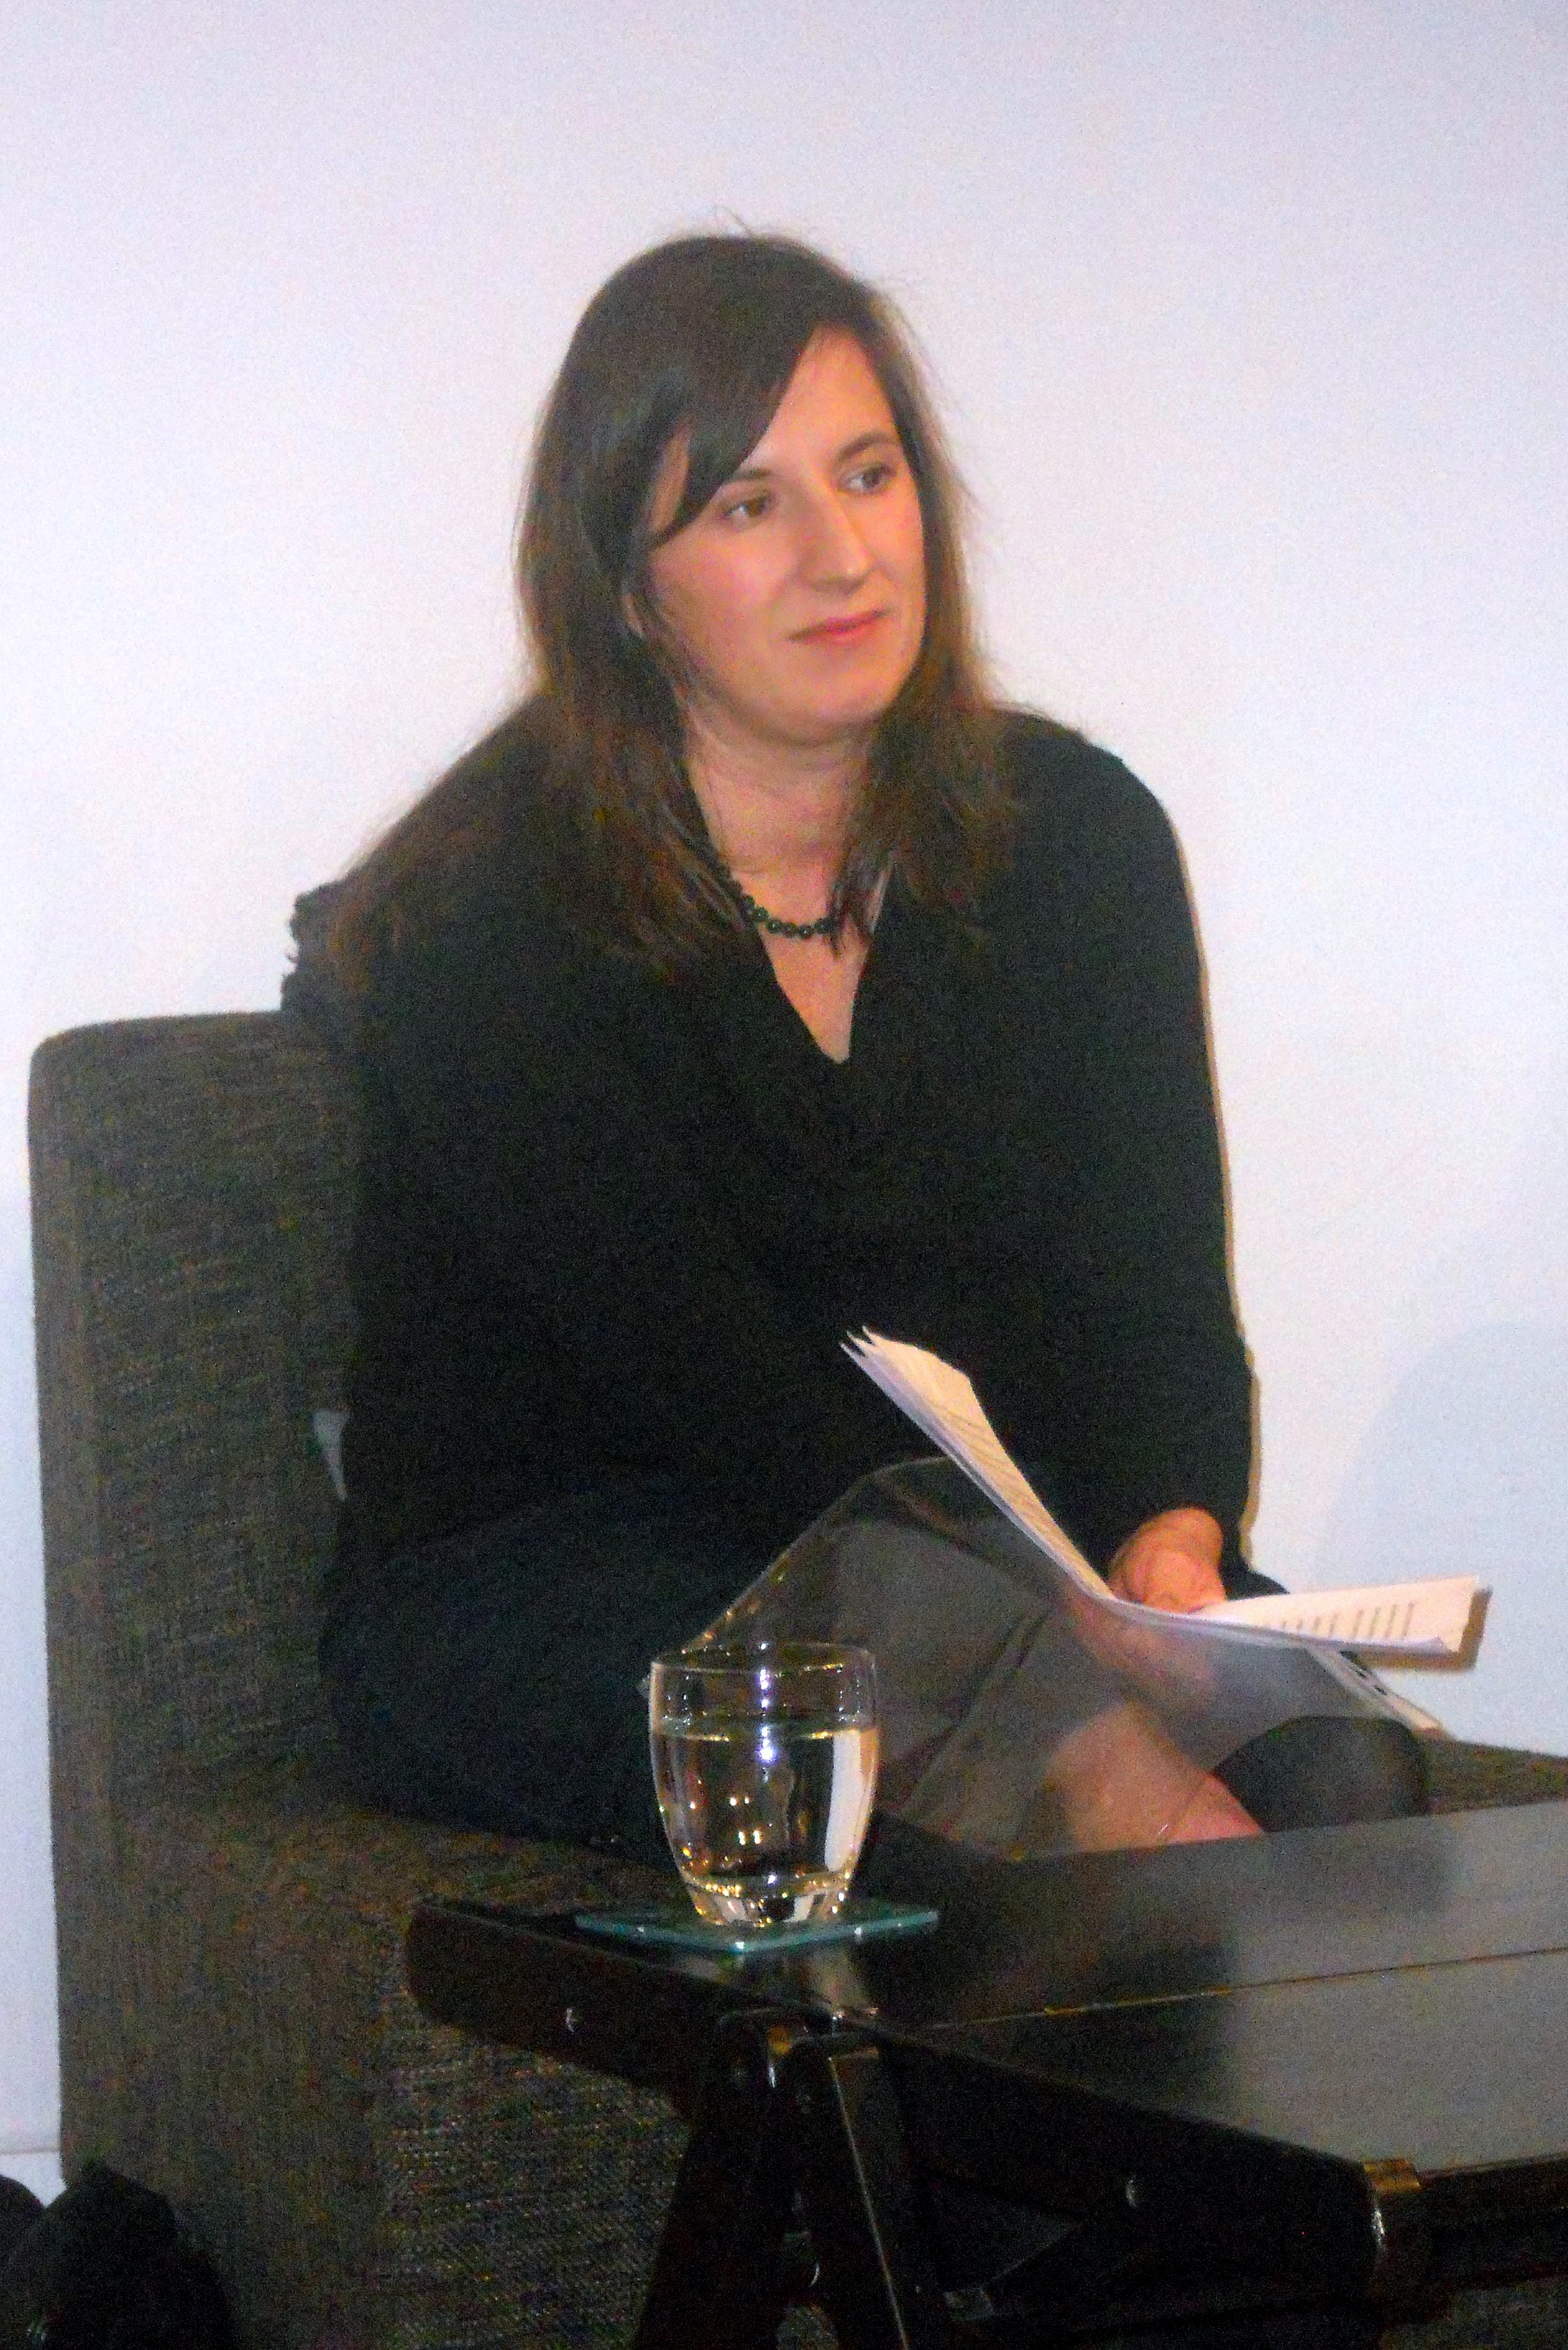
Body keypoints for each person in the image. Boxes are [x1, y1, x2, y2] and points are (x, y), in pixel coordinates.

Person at [286, 231, 1424, 1863]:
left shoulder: (1079, 838)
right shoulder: (489, 916)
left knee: (1346, 1774)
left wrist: (1170, 1540)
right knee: (986, 1798)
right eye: (751, 506)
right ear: (628, 583)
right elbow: (712, 1385)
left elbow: (1156, 1292)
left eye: (870, 476)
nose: (845, 556)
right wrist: (1066, 1696)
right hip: (564, 1565)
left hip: (1002, 1562)